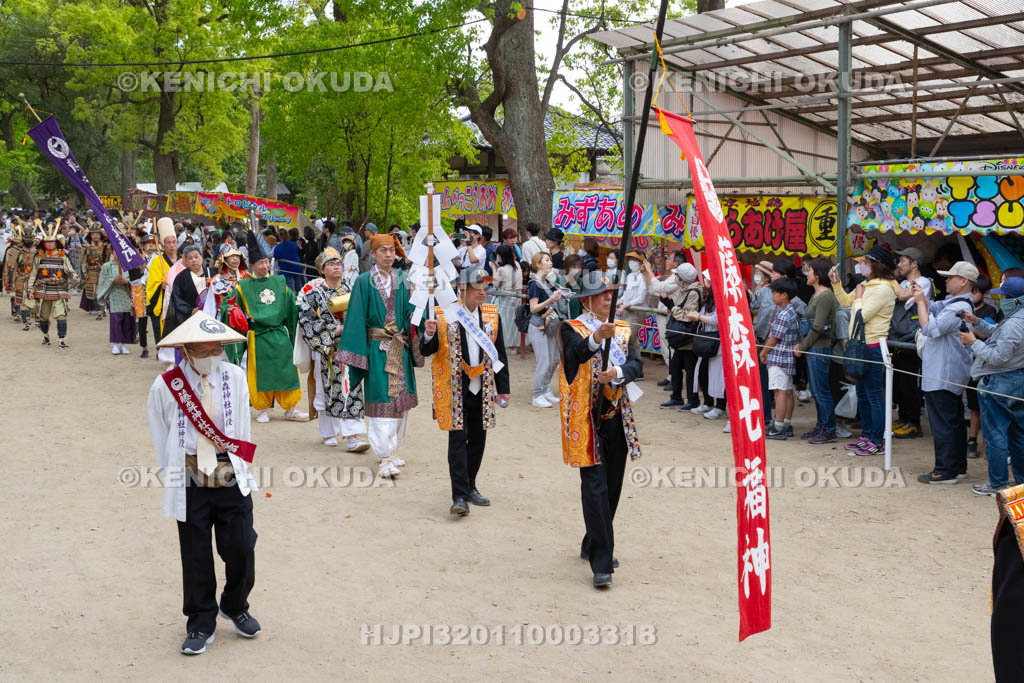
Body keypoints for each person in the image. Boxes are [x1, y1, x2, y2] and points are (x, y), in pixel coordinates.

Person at [146, 311, 261, 656]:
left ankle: (235, 604)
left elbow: (242, 429)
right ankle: (200, 620)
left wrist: (236, 467)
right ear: (186, 350)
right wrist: (176, 475)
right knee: (195, 555)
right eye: (204, 351)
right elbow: (161, 434)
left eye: (217, 350)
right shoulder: (165, 386)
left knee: (241, 546)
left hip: (229, 475)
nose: (213, 357)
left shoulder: (236, 377)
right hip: (191, 480)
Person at [557, 272, 642, 588]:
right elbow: (575, 355)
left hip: (616, 415)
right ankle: (602, 562)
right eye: (603, 293)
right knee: (595, 486)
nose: (609, 297)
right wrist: (596, 338)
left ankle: (593, 541)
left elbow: (637, 366)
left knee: (613, 485)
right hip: (585, 418)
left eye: (611, 293)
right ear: (587, 299)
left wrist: (618, 372)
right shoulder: (570, 328)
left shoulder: (623, 329)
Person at [420, 266, 510, 515]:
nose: (482, 292)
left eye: (485, 287)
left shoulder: (492, 315)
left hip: (483, 386)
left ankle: (471, 486)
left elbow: (499, 353)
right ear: (463, 288)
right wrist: (428, 336)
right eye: (477, 287)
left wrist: (504, 388)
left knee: (479, 440)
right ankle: (458, 495)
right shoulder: (444, 315)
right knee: (458, 441)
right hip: (455, 388)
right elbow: (428, 351)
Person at [338, 234, 420, 478]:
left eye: (392, 250)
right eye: (382, 250)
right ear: (372, 254)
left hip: (400, 348)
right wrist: (351, 353)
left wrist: (421, 328)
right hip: (376, 350)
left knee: (400, 402)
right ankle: (384, 456)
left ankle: (391, 451)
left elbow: (413, 312)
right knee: (381, 400)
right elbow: (355, 318)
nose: (388, 254)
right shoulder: (364, 282)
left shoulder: (404, 279)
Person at [298, 247, 370, 451]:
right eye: (331, 263)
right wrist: (333, 329)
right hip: (326, 350)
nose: (336, 266)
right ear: (322, 269)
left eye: (338, 263)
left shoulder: (353, 291)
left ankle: (352, 435)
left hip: (350, 348)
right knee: (325, 389)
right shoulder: (313, 296)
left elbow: (366, 315)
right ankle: (328, 432)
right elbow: (306, 323)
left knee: (351, 387)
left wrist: (354, 325)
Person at [831, 245, 899, 456]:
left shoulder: (883, 288)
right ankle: (867, 436)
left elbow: (862, 314)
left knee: (874, 395)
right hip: (860, 345)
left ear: (876, 265)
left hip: (874, 346)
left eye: (865, 263)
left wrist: (859, 297)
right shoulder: (867, 285)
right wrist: (836, 283)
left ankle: (876, 440)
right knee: (863, 393)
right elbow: (845, 302)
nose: (860, 266)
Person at [232, 232, 307, 423]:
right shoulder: (243, 286)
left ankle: (291, 407)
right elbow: (231, 305)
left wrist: (306, 306)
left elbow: (292, 303)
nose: (265, 266)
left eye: (267, 262)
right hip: (258, 335)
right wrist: (230, 310)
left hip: (279, 334)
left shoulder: (279, 282)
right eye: (260, 263)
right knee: (259, 372)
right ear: (252, 265)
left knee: (287, 369)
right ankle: (262, 408)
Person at [913, 261, 976, 484]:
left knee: (943, 424)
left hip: (943, 372)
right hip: (948, 371)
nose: (946, 280)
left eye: (950, 277)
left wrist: (920, 302)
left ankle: (944, 471)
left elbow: (930, 329)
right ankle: (957, 467)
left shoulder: (959, 307)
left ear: (964, 281)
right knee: (953, 421)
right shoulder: (957, 303)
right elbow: (936, 307)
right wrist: (923, 299)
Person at [961, 277, 1024, 497]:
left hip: (1000, 381)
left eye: (1005, 297)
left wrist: (973, 342)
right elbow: (998, 335)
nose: (1002, 300)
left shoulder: (1015, 323)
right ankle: (1020, 483)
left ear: (1015, 300)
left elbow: (999, 356)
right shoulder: (1018, 318)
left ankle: (997, 484)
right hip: (1018, 380)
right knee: (1018, 433)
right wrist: (977, 322)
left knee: (996, 435)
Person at [890, 247, 933, 440]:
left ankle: (914, 423)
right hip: (899, 337)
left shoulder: (923, 282)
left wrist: (891, 284)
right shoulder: (904, 283)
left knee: (910, 383)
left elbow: (902, 299)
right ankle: (904, 417)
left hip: (912, 337)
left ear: (914, 263)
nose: (899, 265)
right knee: (899, 382)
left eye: (902, 261)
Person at [795, 258, 838, 443]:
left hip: (819, 348)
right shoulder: (816, 295)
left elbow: (819, 326)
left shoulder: (826, 296)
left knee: (822, 391)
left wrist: (803, 347)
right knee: (816, 391)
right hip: (812, 347)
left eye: (810, 270)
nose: (807, 273)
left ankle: (828, 429)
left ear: (818, 276)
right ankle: (821, 426)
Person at [26, 222, 79, 349]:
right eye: (47, 241)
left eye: (52, 241)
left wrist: (75, 277)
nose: (49, 244)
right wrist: (29, 289)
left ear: (56, 242)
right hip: (44, 290)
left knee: (61, 315)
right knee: (43, 317)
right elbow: (33, 273)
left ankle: (62, 339)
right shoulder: (39, 257)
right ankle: (45, 335)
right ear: (43, 243)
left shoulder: (63, 256)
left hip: (59, 289)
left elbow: (70, 270)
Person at [761, 278, 800, 440]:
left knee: (780, 393)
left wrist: (763, 352)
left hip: (779, 357)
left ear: (784, 295)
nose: (773, 296)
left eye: (775, 293)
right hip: (787, 358)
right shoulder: (791, 311)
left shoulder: (784, 313)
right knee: (787, 392)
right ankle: (785, 423)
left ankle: (778, 427)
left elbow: (774, 338)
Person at [966, 276, 1000, 459]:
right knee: (973, 406)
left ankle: (989, 446)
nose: (972, 295)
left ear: (986, 294)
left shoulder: (990, 311)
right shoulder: (965, 306)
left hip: (984, 365)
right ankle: (972, 440)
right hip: (969, 365)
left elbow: (987, 336)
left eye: (976, 291)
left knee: (986, 407)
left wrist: (972, 325)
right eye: (971, 290)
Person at [660, 264, 702, 410]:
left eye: (677, 275)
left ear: (683, 278)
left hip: (688, 339)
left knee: (690, 372)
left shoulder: (694, 292)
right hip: (680, 340)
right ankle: (676, 397)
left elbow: (687, 316)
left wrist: (671, 306)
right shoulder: (684, 290)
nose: (675, 277)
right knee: (675, 368)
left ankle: (693, 400)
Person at [527, 252, 566, 408]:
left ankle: (545, 390)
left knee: (553, 360)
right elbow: (533, 308)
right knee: (543, 362)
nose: (550, 263)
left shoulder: (548, 282)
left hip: (550, 326)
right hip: (537, 326)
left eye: (550, 260)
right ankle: (537, 394)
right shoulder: (534, 284)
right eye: (547, 260)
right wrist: (551, 300)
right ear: (538, 264)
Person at [644, 252, 686, 385]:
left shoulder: (676, 279)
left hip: (671, 315)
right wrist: (646, 273)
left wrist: (649, 270)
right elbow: (654, 290)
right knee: (665, 347)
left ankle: (675, 377)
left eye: (669, 259)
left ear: (676, 264)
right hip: (663, 314)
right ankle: (670, 375)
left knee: (670, 347)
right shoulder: (671, 277)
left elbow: (659, 287)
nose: (666, 261)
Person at [687, 283, 727, 421]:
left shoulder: (722, 300)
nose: (706, 285)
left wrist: (698, 317)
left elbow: (717, 320)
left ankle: (720, 406)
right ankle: (708, 402)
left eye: (709, 282)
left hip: (718, 343)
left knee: (719, 376)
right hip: (706, 340)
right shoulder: (707, 300)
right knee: (703, 372)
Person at [164, 244, 214, 341]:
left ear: (202, 257)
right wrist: (190, 310)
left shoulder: (212, 274)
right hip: (191, 317)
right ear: (185, 261)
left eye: (196, 256)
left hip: (212, 316)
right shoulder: (180, 278)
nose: (194, 260)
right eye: (190, 258)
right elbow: (177, 299)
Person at [146, 217, 181, 352]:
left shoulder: (182, 260)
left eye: (174, 242)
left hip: (178, 300)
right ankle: (164, 354)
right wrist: (161, 285)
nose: (172, 245)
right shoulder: (157, 262)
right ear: (162, 244)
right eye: (168, 242)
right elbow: (151, 284)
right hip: (163, 302)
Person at [96, 248, 139, 355]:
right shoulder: (107, 266)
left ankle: (123, 344)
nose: (117, 253)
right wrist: (112, 280)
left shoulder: (129, 265)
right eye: (115, 251)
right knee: (116, 319)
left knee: (127, 319)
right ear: (112, 252)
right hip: (114, 295)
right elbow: (103, 280)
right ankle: (116, 344)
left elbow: (136, 281)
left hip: (127, 295)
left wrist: (126, 281)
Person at [616, 252, 648, 365]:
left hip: (636, 314)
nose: (631, 262)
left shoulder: (642, 277)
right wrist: (617, 302)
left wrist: (624, 305)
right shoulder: (629, 276)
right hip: (626, 313)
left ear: (641, 263)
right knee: (633, 342)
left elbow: (640, 299)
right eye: (630, 259)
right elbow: (626, 295)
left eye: (635, 260)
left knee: (627, 339)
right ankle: (638, 367)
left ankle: (629, 365)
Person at [492, 243, 523, 350]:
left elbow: (495, 283)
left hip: (504, 298)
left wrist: (493, 269)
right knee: (513, 323)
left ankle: (506, 345)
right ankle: (514, 345)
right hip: (516, 298)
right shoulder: (517, 265)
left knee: (504, 322)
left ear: (501, 256)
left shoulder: (502, 269)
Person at [80, 226, 108, 319]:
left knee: (102, 289)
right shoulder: (86, 246)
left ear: (100, 235)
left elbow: (108, 259)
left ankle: (102, 309)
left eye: (97, 234)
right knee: (93, 291)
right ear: (90, 235)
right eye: (93, 234)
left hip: (103, 271)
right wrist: (84, 272)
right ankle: (97, 308)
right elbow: (83, 261)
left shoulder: (105, 246)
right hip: (91, 271)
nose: (95, 236)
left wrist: (106, 268)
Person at [272, 228, 304, 293]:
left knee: (289, 287)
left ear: (279, 237)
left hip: (285, 269)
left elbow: (275, 257)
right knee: (299, 285)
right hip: (296, 266)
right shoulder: (294, 244)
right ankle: (301, 297)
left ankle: (291, 299)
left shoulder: (278, 247)